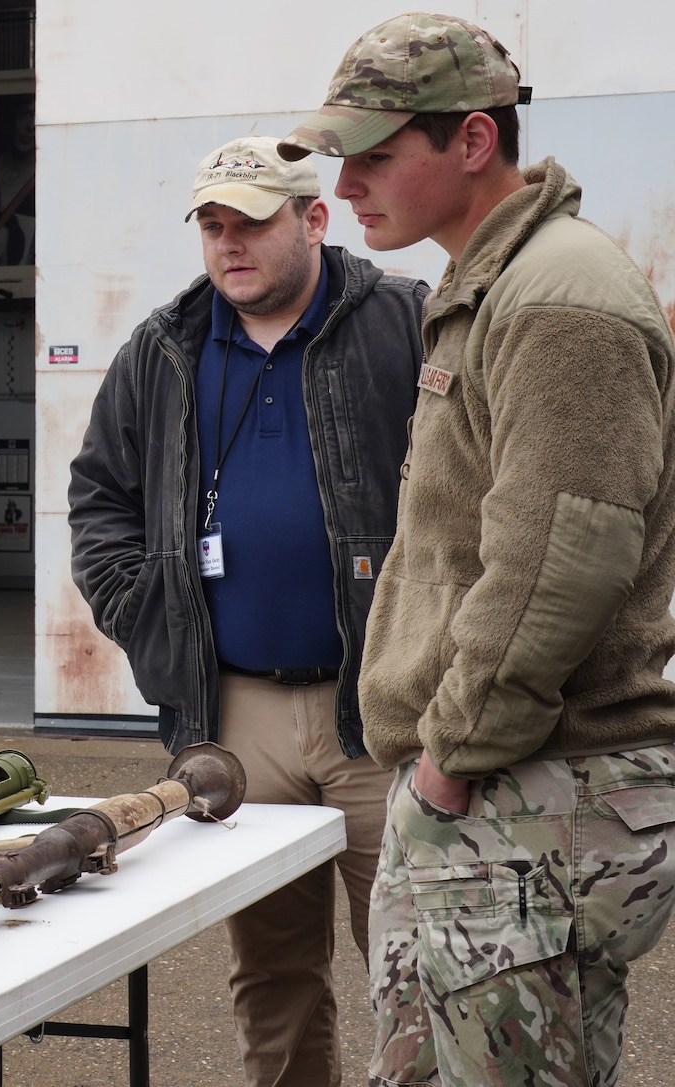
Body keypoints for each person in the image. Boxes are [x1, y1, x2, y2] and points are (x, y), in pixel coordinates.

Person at [280, 15, 675, 1085]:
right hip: (502, 788)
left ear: (469, 142)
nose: (347, 181)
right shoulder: (490, 286)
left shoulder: (556, 297)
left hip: (521, 788)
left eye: (374, 153)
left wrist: (451, 758)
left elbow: (562, 557)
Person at [68, 134, 426, 1087]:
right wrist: (148, 611)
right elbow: (100, 495)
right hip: (236, 717)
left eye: (252, 223)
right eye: (214, 226)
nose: (230, 245)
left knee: (416, 966)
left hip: (381, 711)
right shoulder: (163, 349)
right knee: (272, 971)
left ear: (313, 219)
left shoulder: (408, 325)